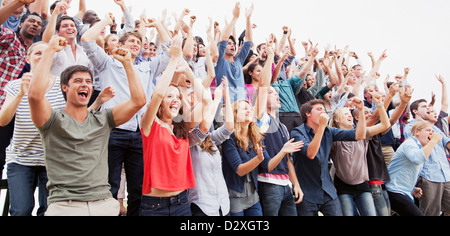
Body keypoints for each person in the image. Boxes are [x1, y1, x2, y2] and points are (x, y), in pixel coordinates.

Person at [27, 35, 146, 216]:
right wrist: (50, 50)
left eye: (88, 82)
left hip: (103, 204)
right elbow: (35, 96)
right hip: (66, 206)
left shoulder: (103, 119)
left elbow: (138, 101)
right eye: (78, 81)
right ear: (64, 87)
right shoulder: (52, 120)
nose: (85, 85)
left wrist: (128, 63)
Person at [81, 13, 172, 216]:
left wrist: (158, 24)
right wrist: (106, 22)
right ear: (119, 44)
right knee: (110, 186)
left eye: (138, 42)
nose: (135, 44)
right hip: (113, 131)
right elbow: (86, 40)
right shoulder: (107, 63)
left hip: (139, 134)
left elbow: (170, 51)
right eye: (131, 40)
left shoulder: (148, 67)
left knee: (138, 189)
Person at [139, 35, 198, 216]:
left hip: (182, 203)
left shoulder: (183, 127)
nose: (175, 100)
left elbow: (206, 102)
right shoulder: (149, 125)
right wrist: (173, 59)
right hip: (154, 207)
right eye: (170, 96)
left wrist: (186, 69)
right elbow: (157, 95)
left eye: (177, 97)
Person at [290, 98, 366, 216]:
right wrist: (321, 127)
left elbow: (360, 135)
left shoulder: (329, 131)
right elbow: (311, 154)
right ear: (308, 114)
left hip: (327, 191)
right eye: (319, 109)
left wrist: (360, 111)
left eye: (324, 109)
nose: (323, 112)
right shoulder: (297, 132)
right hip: (306, 193)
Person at [0, 0, 43, 177]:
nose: (35, 25)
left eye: (39, 24)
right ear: (21, 23)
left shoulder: (38, 52)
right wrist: (19, 2)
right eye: (31, 21)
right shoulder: (10, 38)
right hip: (3, 105)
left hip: (22, 114)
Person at [329, 93, 390, 216]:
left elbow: (385, 125)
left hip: (362, 184)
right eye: (345, 114)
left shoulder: (362, 133)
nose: (349, 116)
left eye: (350, 114)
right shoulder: (332, 137)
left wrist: (379, 105)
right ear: (336, 119)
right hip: (343, 186)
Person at [188, 77, 234, 216]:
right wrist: (216, 99)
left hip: (222, 204)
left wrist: (226, 98)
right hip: (201, 206)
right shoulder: (188, 139)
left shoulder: (210, 139)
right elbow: (202, 128)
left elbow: (229, 128)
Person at [404, 95, 450, 216]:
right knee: (430, 213)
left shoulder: (434, 127)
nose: (428, 109)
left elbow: (447, 142)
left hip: (446, 175)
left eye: (428, 106)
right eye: (424, 106)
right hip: (429, 177)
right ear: (415, 111)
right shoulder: (410, 126)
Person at [386, 121, 443, 216]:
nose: (431, 133)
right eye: (428, 130)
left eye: (432, 131)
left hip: (401, 192)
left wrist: (412, 189)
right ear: (417, 132)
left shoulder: (418, 147)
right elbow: (417, 159)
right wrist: (433, 141)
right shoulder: (410, 143)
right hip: (394, 191)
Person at [214, 2, 253, 102]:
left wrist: (248, 19)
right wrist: (235, 17)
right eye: (229, 43)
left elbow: (248, 41)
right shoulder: (219, 61)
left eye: (233, 43)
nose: (232, 45)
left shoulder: (239, 61)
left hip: (242, 106)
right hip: (225, 106)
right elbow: (223, 38)